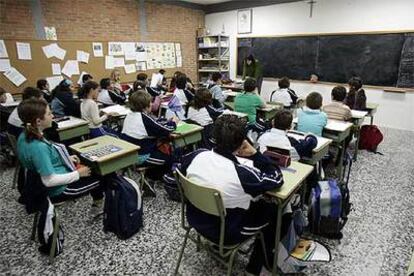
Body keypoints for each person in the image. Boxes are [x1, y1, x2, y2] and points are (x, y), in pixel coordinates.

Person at [180, 114, 284, 275]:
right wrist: (256, 154)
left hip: (194, 218)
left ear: (214, 137)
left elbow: (180, 167)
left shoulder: (197, 155)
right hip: (227, 233)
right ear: (243, 140)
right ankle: (257, 267)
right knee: (276, 210)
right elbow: (277, 179)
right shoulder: (243, 175)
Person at [16, 98, 104, 208]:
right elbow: (49, 181)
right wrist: (78, 174)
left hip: (51, 176)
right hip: (60, 189)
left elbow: (45, 158)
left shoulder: (25, 134)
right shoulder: (38, 147)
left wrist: (64, 158)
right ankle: (105, 209)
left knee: (95, 169)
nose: (52, 116)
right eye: (49, 114)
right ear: (38, 121)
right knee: (104, 178)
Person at [121, 91, 177, 172]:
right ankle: (162, 179)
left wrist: (163, 121)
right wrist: (174, 122)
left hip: (129, 155)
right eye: (150, 102)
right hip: (142, 157)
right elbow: (166, 130)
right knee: (171, 159)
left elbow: (153, 124)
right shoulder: (144, 118)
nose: (151, 104)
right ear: (145, 106)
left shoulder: (129, 115)